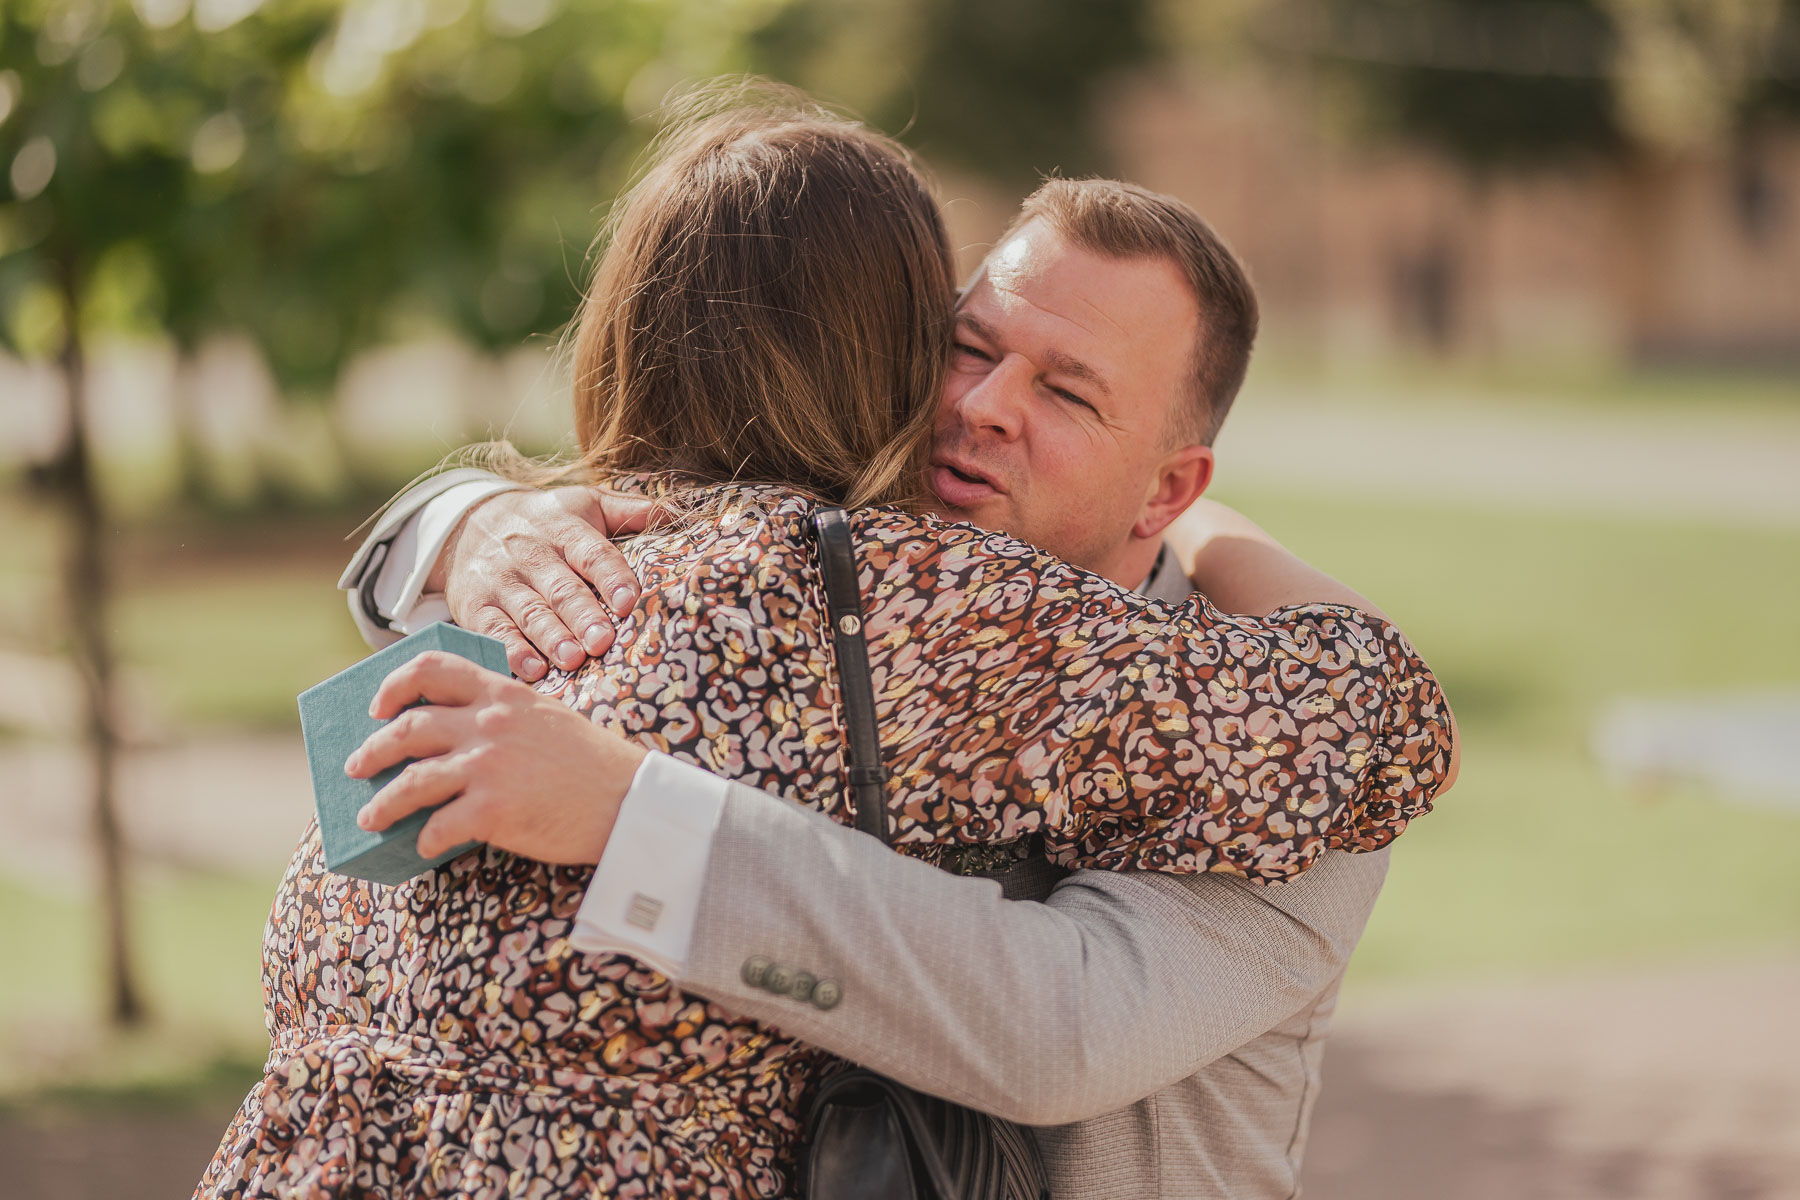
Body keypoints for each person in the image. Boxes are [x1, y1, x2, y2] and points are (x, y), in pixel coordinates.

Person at [211, 93, 1455, 1199]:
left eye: (1068, 392)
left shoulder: (1263, 748)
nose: (980, 405)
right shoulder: (790, 584)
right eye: (966, 346)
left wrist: (630, 813)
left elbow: (1057, 1032)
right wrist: (463, 520)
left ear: (1167, 489)